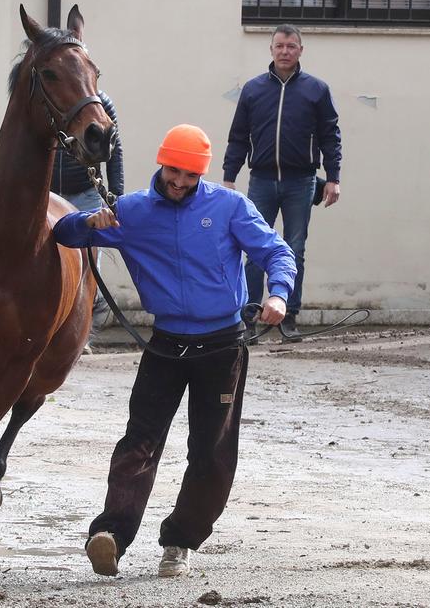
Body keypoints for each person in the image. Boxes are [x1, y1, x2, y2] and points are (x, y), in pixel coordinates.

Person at [53, 124, 296, 578]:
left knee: (212, 452)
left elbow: (276, 252)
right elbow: (65, 234)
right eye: (172, 172)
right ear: (160, 165)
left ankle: (180, 543)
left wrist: (279, 294)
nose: (179, 182)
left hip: (222, 345)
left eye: (189, 175)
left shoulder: (229, 207)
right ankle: (110, 535)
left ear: (201, 174)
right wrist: (90, 221)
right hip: (165, 344)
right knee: (139, 442)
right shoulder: (131, 212)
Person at [222, 23, 342, 343]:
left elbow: (331, 137)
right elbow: (238, 136)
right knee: (253, 249)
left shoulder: (317, 90)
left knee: (294, 249)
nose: (285, 51)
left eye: (291, 46)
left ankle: (288, 316)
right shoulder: (253, 89)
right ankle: (248, 317)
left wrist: (333, 178)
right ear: (271, 50)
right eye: (279, 46)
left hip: (300, 182)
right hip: (260, 180)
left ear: (300, 50)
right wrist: (229, 177)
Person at [51, 89, 124, 346]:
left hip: (85, 194)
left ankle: (81, 337)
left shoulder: (102, 103)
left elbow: (115, 152)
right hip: (48, 195)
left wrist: (116, 198)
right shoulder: (54, 101)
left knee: (90, 270)